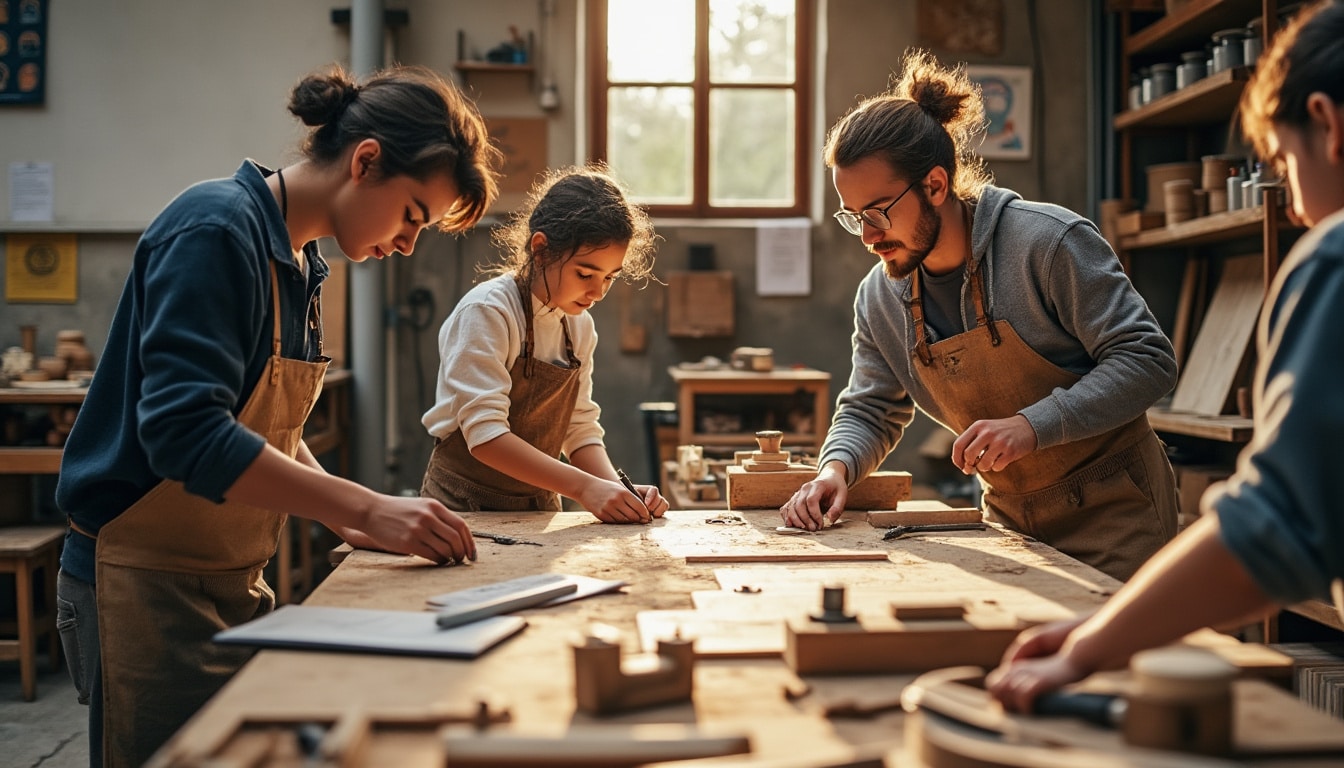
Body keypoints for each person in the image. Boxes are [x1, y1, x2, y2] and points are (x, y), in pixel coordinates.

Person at [53, 64, 501, 768]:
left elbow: (269, 433)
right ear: (365, 160)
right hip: (139, 585)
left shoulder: (299, 262)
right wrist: (368, 506)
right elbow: (184, 435)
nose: (410, 244)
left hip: (230, 579)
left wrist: (350, 517)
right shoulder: (214, 230)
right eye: (413, 215)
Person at [988, 0, 1344, 712]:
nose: (1297, 209)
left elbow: (1273, 532)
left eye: (1283, 160)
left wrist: (1088, 649)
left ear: (1329, 125)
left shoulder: (1333, 260)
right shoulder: (885, 293)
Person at [781, 48, 1180, 583]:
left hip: (1117, 513)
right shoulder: (880, 297)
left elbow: (1148, 359)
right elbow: (872, 409)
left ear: (936, 186)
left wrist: (1031, 426)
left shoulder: (1049, 244)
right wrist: (837, 470)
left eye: (877, 213)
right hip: (1010, 520)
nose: (869, 239)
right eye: (854, 219)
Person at [420, 163, 669, 522]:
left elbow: (578, 427)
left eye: (610, 277)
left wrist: (617, 489)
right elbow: (486, 437)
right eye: (585, 273)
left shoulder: (579, 326)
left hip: (539, 509)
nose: (597, 292)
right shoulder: (488, 312)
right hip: (463, 508)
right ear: (541, 249)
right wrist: (586, 488)